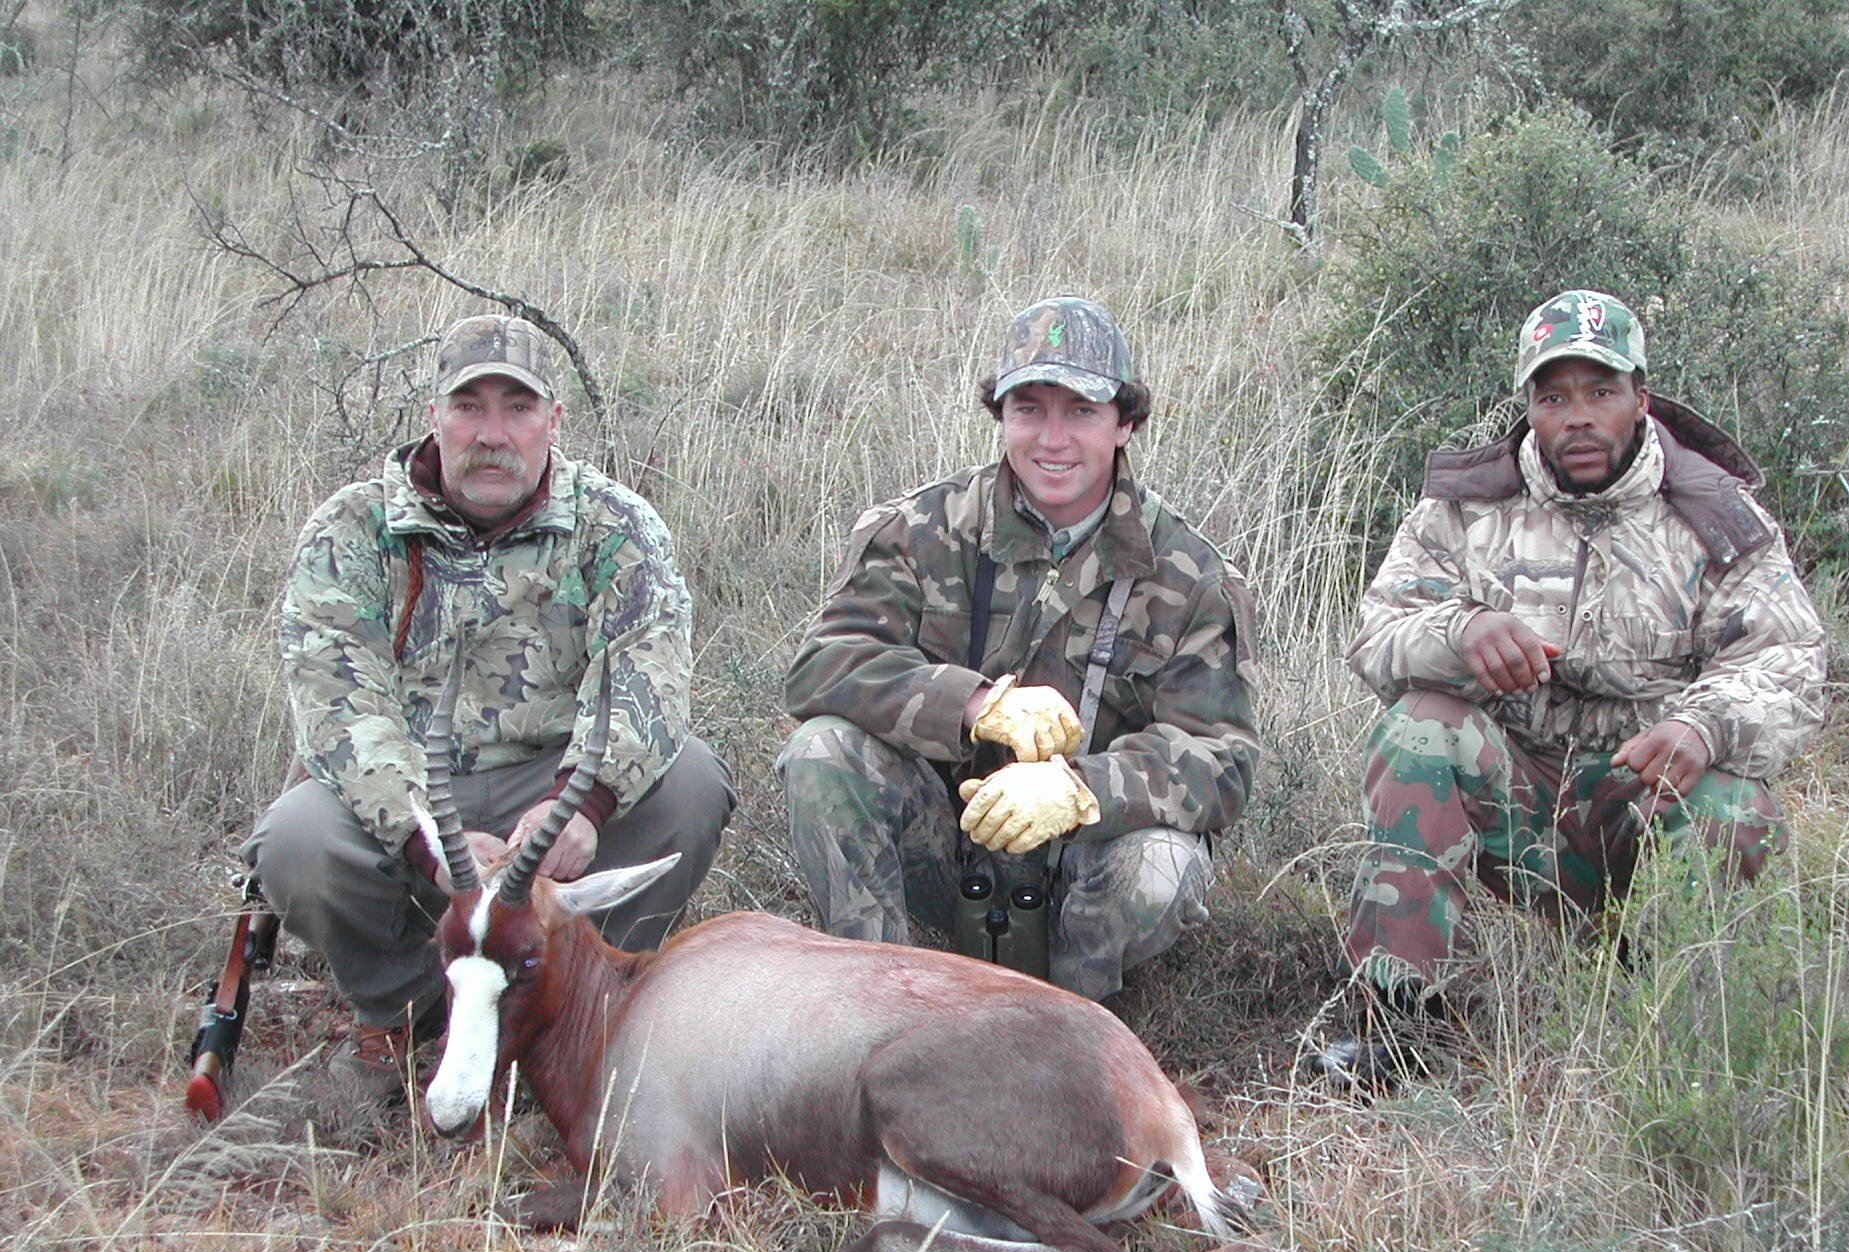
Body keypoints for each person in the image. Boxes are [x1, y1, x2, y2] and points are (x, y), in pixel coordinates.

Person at [1331, 289, 1825, 1083]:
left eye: (1602, 392)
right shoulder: (1462, 509)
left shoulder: (1716, 517)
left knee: (1736, 807)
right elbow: (1376, 638)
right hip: (1515, 798)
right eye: (1554, 397)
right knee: (1419, 727)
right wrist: (1458, 632)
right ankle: (1394, 1024)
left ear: (1641, 401)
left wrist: (1704, 728)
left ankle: (1686, 1041)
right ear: (1528, 409)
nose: (1579, 416)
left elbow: (1790, 662)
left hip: (1645, 795)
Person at [247, 314, 735, 1099]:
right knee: (297, 839)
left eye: (517, 406)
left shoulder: (614, 523)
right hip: (411, 795)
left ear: (553, 420)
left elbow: (648, 673)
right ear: (435, 418)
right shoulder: (352, 527)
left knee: (692, 785)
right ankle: (403, 1015)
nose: (493, 433)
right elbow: (337, 698)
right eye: (468, 406)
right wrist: (420, 834)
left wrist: (581, 807)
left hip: (548, 785)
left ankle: (572, 1003)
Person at [780, 296, 1260, 1001]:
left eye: (1082, 412)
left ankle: (1069, 1015)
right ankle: (879, 1006)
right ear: (1000, 417)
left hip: (1085, 871)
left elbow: (1222, 760)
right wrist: (974, 705)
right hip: (948, 846)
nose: (1053, 439)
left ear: (1125, 423)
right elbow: (823, 667)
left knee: (1164, 862)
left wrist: (1078, 789)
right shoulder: (921, 529)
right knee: (822, 752)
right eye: (1029, 409)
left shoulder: (1190, 572)